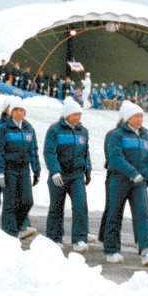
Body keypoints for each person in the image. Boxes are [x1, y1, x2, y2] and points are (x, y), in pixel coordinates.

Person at [103, 101, 148, 266]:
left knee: (143, 214)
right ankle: (112, 250)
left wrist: (147, 177)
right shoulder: (117, 135)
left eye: (141, 116)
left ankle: (146, 249)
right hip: (119, 180)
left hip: (138, 182)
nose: (139, 119)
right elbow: (115, 158)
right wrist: (132, 173)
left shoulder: (145, 135)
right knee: (114, 213)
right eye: (136, 116)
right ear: (127, 118)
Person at [43, 97, 92, 250]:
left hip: (76, 175)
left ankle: (79, 239)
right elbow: (49, 152)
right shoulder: (54, 130)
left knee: (80, 205)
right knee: (57, 206)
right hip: (60, 175)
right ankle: (54, 238)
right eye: (74, 114)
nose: (77, 118)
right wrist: (55, 171)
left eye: (79, 115)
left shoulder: (83, 131)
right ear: (67, 115)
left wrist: (87, 169)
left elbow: (85, 152)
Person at [0, 97, 40, 238]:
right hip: (9, 168)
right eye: (16, 110)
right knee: (10, 202)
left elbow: (33, 150)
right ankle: (10, 233)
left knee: (27, 200)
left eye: (21, 110)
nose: (19, 113)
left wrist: (36, 169)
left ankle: (18, 226)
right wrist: (0, 172)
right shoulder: (2, 129)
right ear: (11, 112)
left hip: (24, 169)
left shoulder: (29, 129)